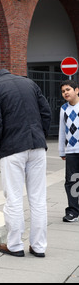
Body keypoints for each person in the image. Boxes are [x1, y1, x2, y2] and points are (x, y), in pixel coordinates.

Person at [0, 65, 51, 257]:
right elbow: (46, 112)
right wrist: (40, 136)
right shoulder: (29, 82)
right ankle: (38, 246)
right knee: (38, 198)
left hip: (12, 148)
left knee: (13, 197)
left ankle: (15, 244)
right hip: (37, 146)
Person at [58, 80, 79, 223]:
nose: (65, 92)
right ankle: (73, 211)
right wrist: (62, 151)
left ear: (76, 90)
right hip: (71, 151)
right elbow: (61, 130)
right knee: (72, 181)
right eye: (63, 91)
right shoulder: (64, 109)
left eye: (68, 89)